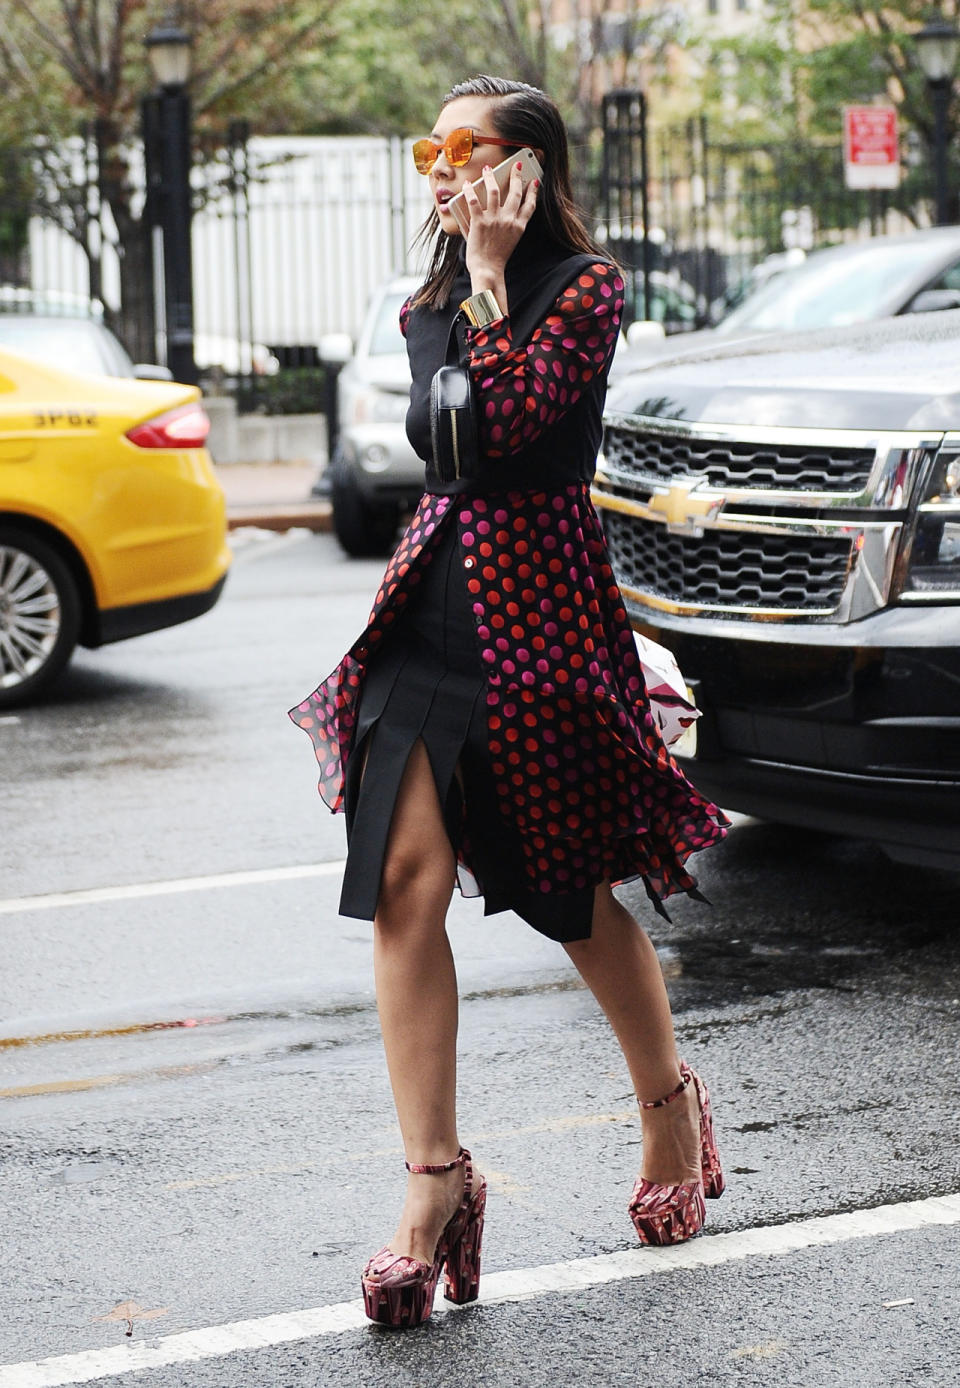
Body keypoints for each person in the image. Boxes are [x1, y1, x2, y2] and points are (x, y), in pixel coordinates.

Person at [290, 74, 729, 1330]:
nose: (440, 164)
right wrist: (470, 287)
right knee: (401, 882)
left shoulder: (586, 290)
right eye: (431, 145)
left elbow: (523, 418)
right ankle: (436, 1186)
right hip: (434, 596)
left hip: (540, 608)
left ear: (528, 168)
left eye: (467, 146)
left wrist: (491, 277)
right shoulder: (434, 297)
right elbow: (453, 443)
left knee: (566, 883)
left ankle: (668, 1107)